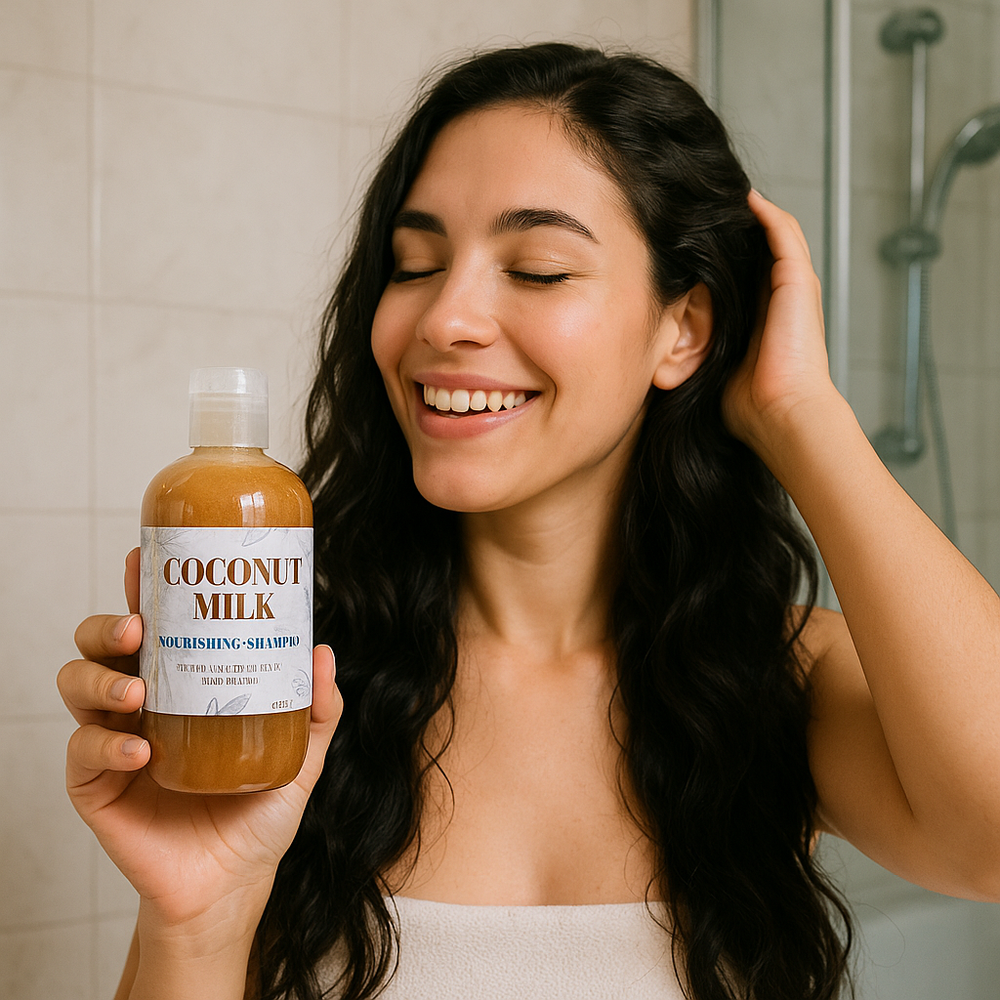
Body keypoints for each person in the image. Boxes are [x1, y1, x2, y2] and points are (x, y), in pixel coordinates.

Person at [59, 43, 1000, 1000]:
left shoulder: (767, 678)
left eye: (539, 270)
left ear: (684, 328)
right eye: (414, 263)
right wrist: (194, 919)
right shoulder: (281, 694)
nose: (446, 318)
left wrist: (802, 416)